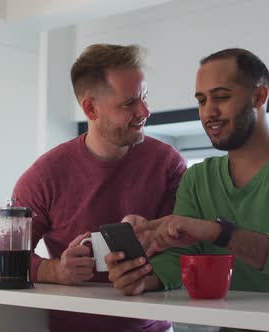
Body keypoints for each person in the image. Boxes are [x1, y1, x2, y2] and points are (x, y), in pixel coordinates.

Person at [106, 48, 269, 307]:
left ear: (259, 96)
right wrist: (143, 277)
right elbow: (181, 256)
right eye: (201, 101)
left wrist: (218, 232)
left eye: (221, 97)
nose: (208, 111)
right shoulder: (198, 179)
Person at [12, 44, 186, 332]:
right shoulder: (45, 175)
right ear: (91, 108)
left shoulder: (168, 163)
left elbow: (188, 250)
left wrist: (157, 236)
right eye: (129, 102)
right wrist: (54, 270)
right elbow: (3, 257)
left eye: (144, 97)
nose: (145, 111)